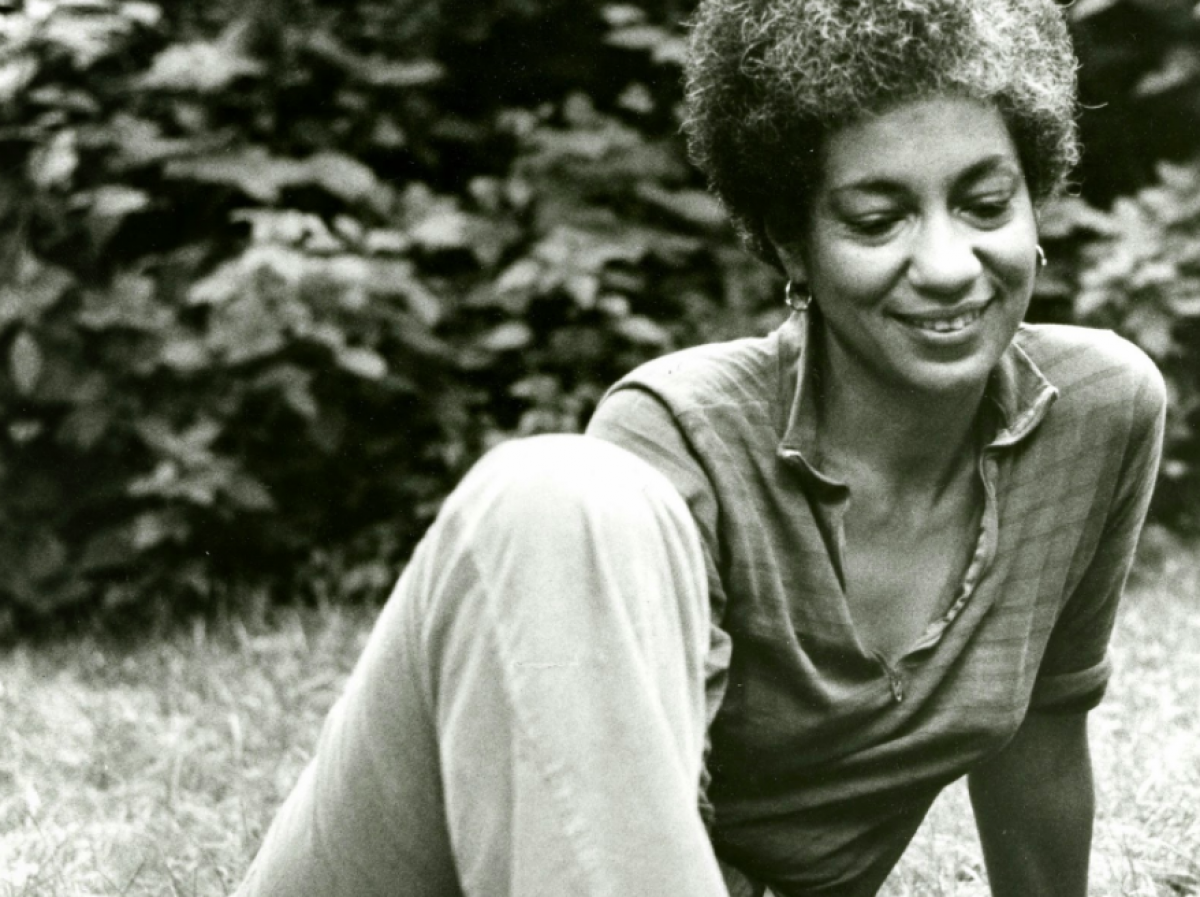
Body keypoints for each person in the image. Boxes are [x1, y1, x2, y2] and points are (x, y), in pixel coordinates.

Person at [233, 1, 1166, 895]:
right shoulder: (677, 438)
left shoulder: (1096, 414)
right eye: (878, 220)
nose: (950, 264)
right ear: (790, 246)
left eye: (985, 203)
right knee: (556, 491)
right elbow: (603, 810)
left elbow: (1041, 739)